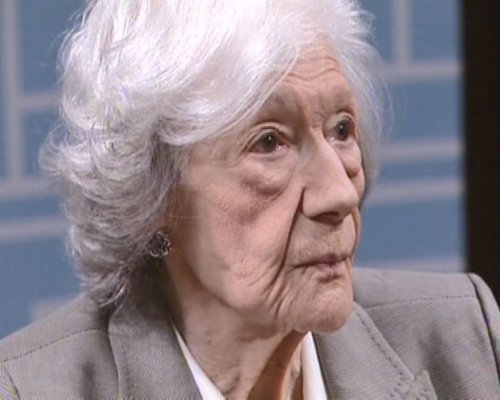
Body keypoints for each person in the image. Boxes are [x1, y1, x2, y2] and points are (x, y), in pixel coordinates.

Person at [0, 0, 499, 399]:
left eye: (341, 129)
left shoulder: (465, 341)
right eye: (269, 142)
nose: (340, 193)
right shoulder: (28, 389)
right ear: (153, 196)